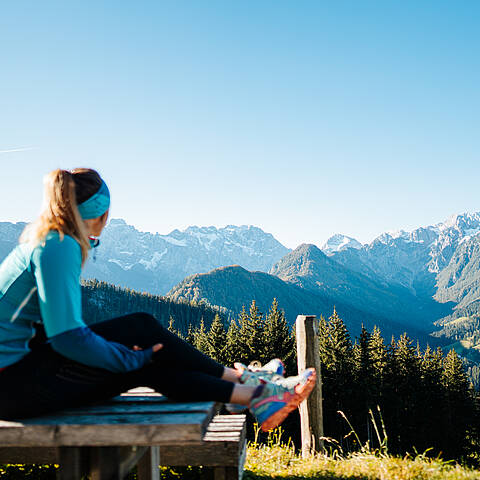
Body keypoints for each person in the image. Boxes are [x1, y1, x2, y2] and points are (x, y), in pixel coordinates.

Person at [0, 168, 316, 431]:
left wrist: (122, 353)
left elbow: (49, 332)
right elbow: (67, 338)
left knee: (142, 333)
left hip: (17, 376)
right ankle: (254, 390)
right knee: (144, 349)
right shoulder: (59, 245)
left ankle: (252, 391)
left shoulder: (44, 241)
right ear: (103, 213)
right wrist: (128, 358)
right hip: (12, 387)